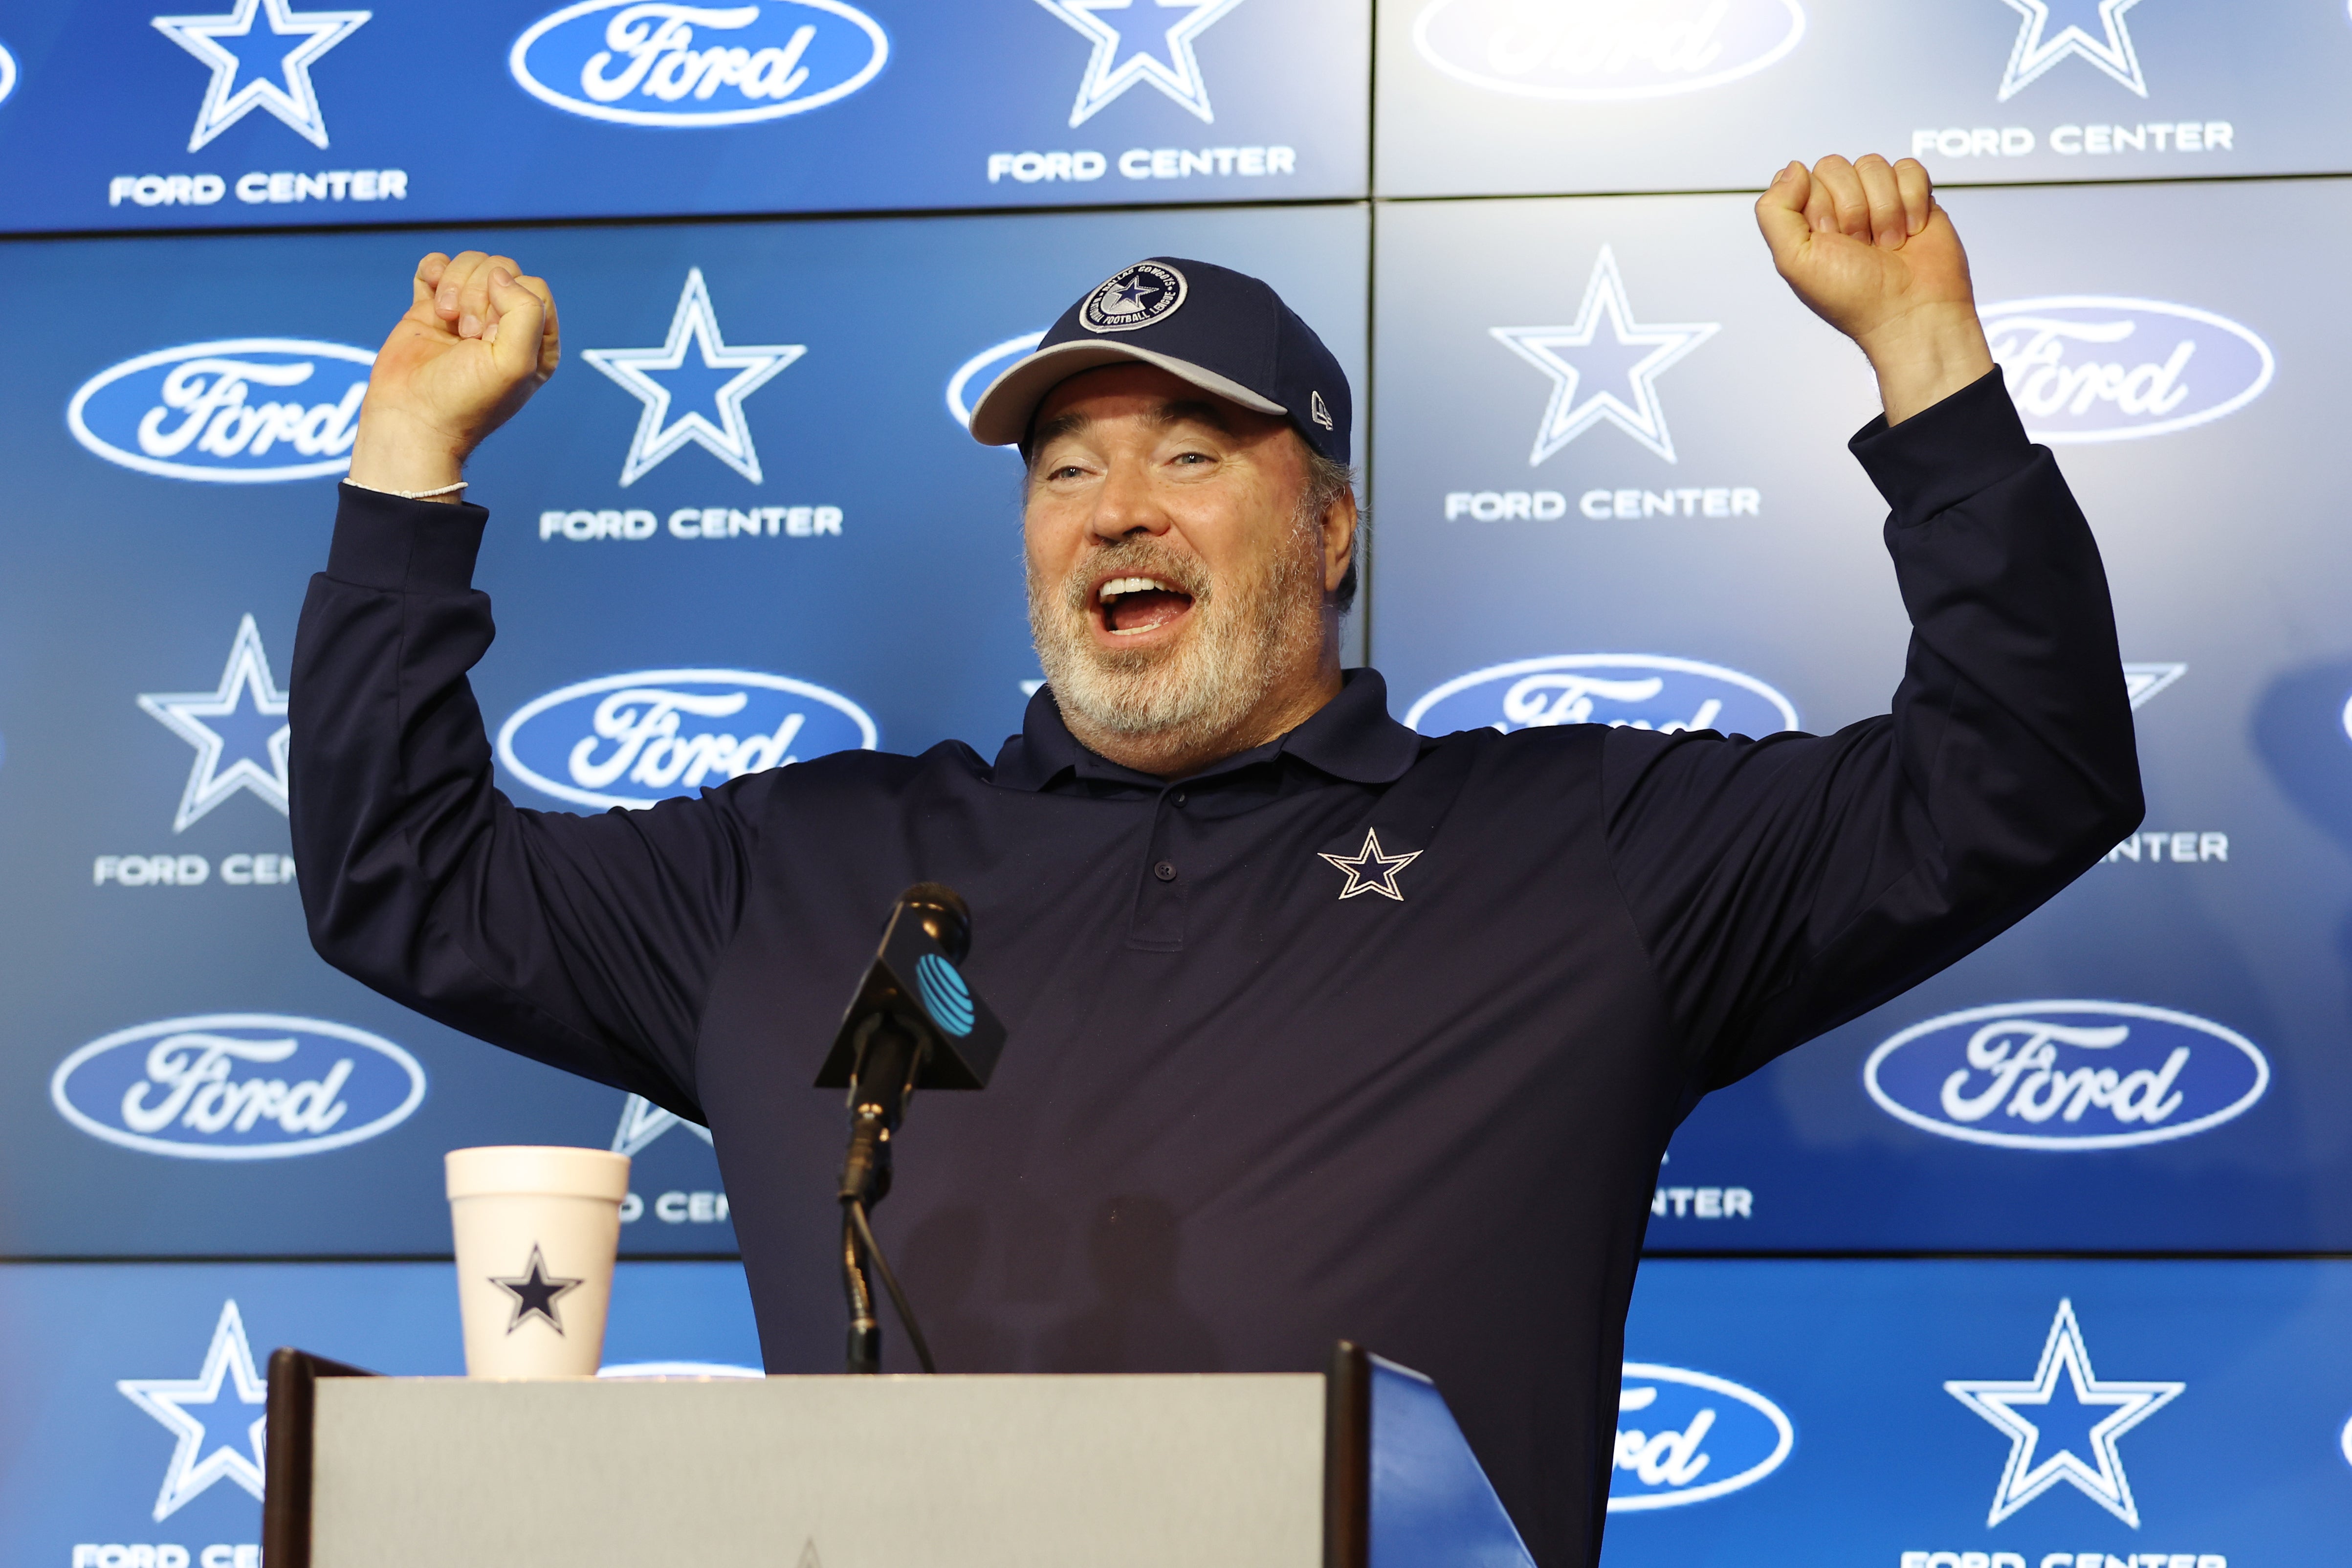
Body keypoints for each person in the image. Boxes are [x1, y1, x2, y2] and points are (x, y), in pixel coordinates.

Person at [291, 153, 2140, 1566]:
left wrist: (1925, 358)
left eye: (1190, 451)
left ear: (1329, 530)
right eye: (1064, 466)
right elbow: (405, 881)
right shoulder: (804, 860)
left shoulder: (1586, 852)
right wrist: (405, 464)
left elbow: (2021, 774)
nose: (1116, 508)